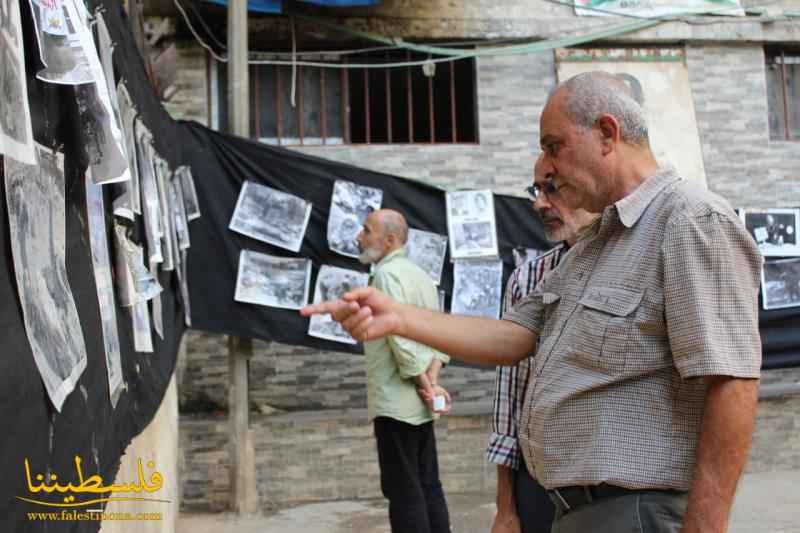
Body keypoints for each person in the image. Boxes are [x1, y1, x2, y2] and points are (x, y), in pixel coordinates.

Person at [302, 71, 763, 533]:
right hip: (577, 510)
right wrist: (398, 316)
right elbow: (515, 336)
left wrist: (706, 526)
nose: (546, 167)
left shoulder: (690, 220)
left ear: (606, 134)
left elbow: (734, 384)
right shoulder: (596, 243)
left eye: (553, 145)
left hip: (637, 512)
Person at [488, 154, 597, 533]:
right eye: (536, 189)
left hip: (615, 487)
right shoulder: (528, 278)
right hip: (539, 481)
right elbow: (509, 398)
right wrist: (505, 509)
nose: (538, 203)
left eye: (552, 188)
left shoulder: (642, 261)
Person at [355, 208, 452, 533]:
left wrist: (425, 384)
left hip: (397, 403)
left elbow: (399, 341)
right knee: (428, 485)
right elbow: (441, 332)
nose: (359, 237)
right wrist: (433, 384)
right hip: (422, 404)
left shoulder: (385, 276)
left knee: (403, 491)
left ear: (390, 239)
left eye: (367, 230)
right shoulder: (420, 275)